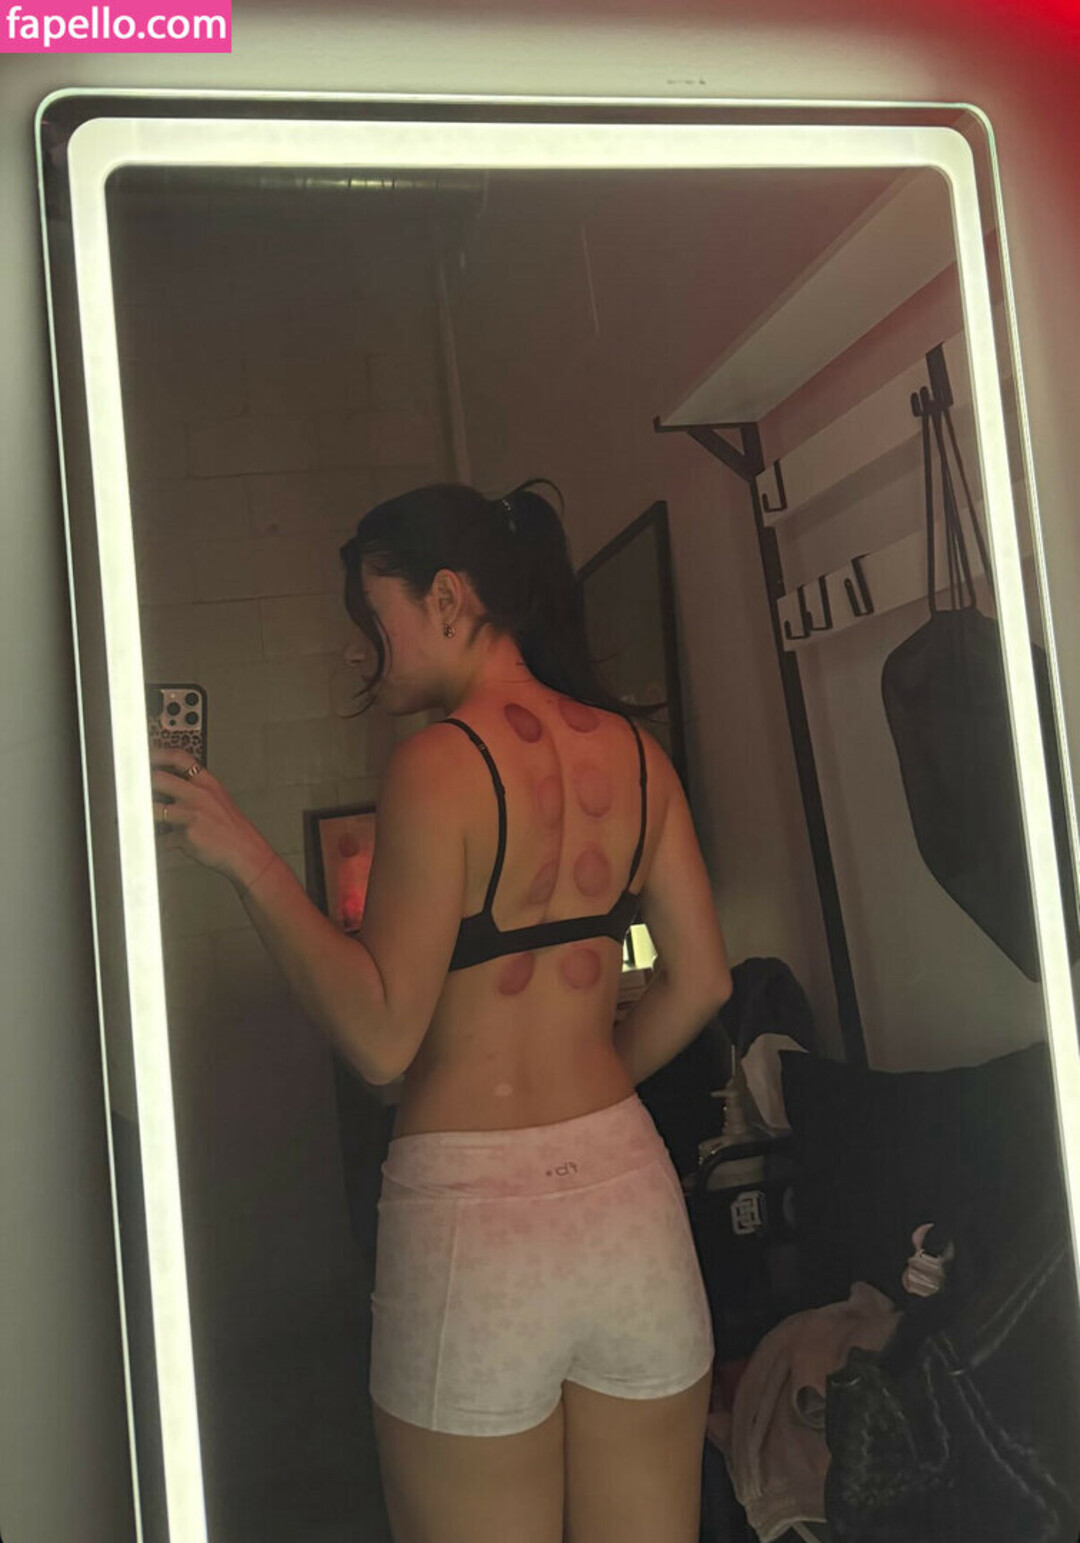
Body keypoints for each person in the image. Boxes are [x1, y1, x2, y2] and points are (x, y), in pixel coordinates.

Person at [150, 479, 733, 1543]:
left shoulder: (436, 764)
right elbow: (702, 982)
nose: (361, 652)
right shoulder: (639, 757)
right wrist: (595, 1081)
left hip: (477, 1228)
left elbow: (381, 1039)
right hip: (631, 1205)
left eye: (375, 616)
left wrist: (243, 854)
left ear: (450, 597)